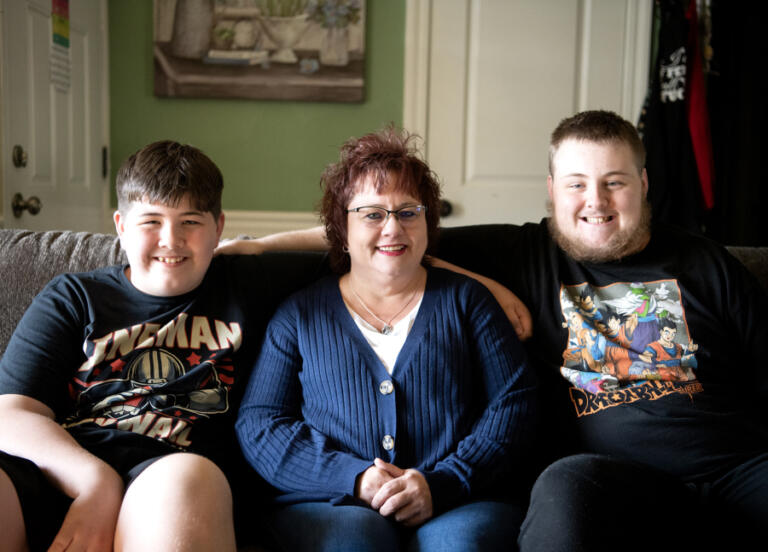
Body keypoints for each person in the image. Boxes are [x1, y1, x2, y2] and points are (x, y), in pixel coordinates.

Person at [431, 110, 768, 549]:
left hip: (738, 473)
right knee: (564, 484)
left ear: (643, 184)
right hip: (619, 487)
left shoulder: (709, 263)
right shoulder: (524, 255)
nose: (596, 201)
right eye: (576, 184)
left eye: (614, 182)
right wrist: (485, 283)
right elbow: (382, 237)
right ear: (552, 191)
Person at [0, 141, 324, 551]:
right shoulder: (75, 296)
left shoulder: (246, 283)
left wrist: (260, 245)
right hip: (63, 469)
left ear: (218, 227)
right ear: (120, 225)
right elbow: (12, 412)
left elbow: (363, 236)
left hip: (170, 476)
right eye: (151, 221)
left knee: (185, 480)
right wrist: (94, 482)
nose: (171, 240)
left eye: (190, 221)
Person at [234, 127, 538, 551]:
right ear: (341, 228)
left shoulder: (468, 302)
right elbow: (260, 425)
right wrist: (354, 479)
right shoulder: (299, 315)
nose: (393, 228)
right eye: (373, 214)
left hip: (460, 500)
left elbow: (515, 402)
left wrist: (446, 481)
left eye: (408, 212)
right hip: (331, 505)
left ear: (428, 224)